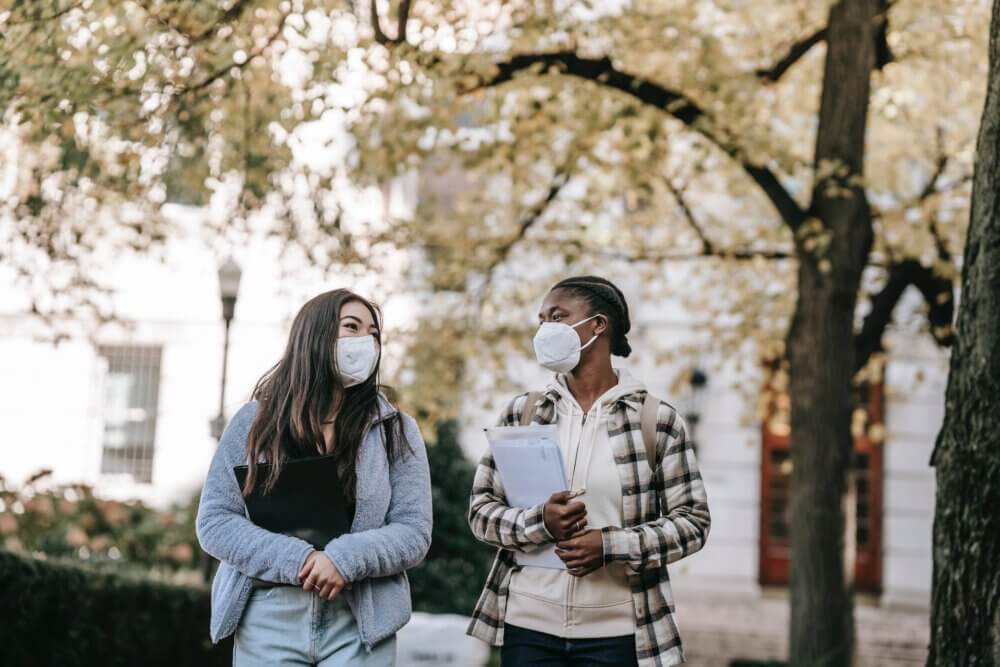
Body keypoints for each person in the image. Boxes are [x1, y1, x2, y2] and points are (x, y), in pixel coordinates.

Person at [467, 275, 711, 667]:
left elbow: (693, 523)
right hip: (528, 629)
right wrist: (541, 521)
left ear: (598, 324)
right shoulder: (523, 413)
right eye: (541, 320)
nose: (545, 329)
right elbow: (480, 513)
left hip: (616, 634)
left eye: (557, 317)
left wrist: (609, 545)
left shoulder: (656, 420)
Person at [196, 288, 433, 666]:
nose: (366, 341)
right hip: (268, 616)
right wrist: (301, 560)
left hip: (361, 623)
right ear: (315, 335)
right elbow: (216, 522)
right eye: (351, 327)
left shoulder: (396, 430)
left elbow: (413, 531)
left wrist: (343, 559)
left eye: (373, 333)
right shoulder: (253, 423)